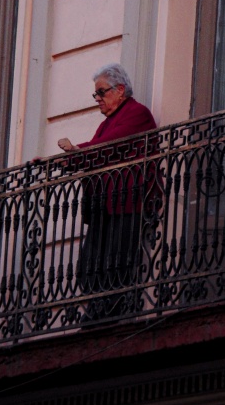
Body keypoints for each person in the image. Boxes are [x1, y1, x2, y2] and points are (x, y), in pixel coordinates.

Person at [58, 63, 157, 321]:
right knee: (90, 264)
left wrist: (76, 152)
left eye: (101, 92)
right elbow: (95, 150)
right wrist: (55, 161)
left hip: (126, 204)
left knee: (116, 262)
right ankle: (98, 310)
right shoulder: (108, 122)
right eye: (96, 94)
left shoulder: (137, 113)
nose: (98, 99)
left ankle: (110, 313)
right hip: (106, 206)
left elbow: (107, 147)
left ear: (120, 90)